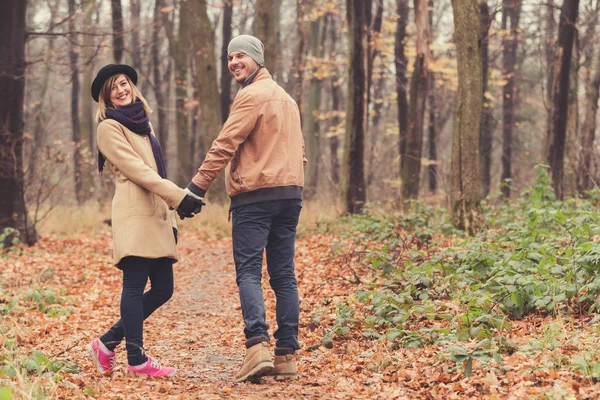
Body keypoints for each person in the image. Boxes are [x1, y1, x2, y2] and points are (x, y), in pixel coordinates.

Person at [184, 35, 306, 382]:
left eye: (241, 56)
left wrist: (196, 187)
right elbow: (300, 150)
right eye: (230, 57)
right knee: (283, 274)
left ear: (257, 59)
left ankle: (257, 348)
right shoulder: (287, 99)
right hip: (290, 194)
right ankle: (286, 356)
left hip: (256, 195)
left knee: (249, 272)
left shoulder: (251, 96)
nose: (235, 62)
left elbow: (225, 144)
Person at [85, 64, 203, 377]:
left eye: (124, 83)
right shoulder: (108, 128)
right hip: (135, 215)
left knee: (164, 288)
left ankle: (107, 342)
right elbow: (138, 171)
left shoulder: (143, 126)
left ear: (132, 87)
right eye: (113, 88)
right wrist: (178, 196)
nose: (121, 90)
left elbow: (155, 171)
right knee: (135, 285)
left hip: (157, 215)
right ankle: (136, 359)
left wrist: (173, 215)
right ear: (106, 98)